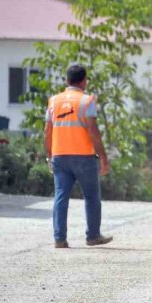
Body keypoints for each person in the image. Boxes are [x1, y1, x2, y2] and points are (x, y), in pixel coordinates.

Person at [45, 64, 112, 249]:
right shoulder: (86, 101)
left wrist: (49, 155)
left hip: (59, 156)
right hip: (84, 157)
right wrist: (103, 157)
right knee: (91, 196)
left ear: (67, 81)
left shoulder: (53, 101)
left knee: (61, 197)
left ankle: (59, 239)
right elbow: (93, 132)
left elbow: (47, 132)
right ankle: (93, 236)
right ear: (84, 81)